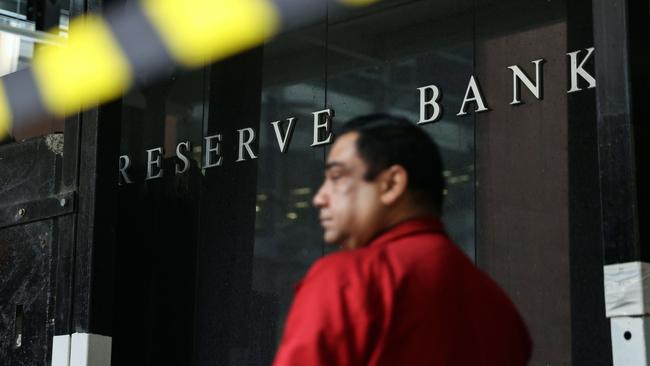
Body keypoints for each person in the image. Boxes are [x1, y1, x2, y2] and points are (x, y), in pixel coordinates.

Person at [272, 114, 532, 365]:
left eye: (337, 178)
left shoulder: (347, 279)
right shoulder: (499, 309)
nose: (320, 198)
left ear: (392, 183)